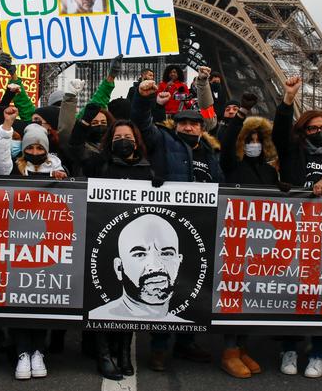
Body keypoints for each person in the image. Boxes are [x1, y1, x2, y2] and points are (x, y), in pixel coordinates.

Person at [132, 76, 219, 371]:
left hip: (202, 227)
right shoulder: (163, 139)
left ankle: (185, 342)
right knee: (166, 283)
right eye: (182, 122)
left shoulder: (210, 152)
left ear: (201, 127)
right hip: (167, 228)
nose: (188, 127)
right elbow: (142, 124)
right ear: (175, 125)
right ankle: (159, 346)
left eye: (193, 123)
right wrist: (145, 100)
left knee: (193, 286)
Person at [271, 77, 322, 378]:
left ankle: (319, 351)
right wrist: (288, 98)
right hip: (294, 232)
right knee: (293, 293)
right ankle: (290, 347)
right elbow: (279, 133)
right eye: (311, 128)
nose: (318, 132)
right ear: (302, 131)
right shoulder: (293, 152)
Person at [0, 107, 67, 380]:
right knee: (19, 300)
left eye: (39, 146)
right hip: (17, 242)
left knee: (41, 301)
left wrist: (64, 181)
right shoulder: (13, 168)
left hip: (47, 244)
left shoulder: (57, 168)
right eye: (30, 146)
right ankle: (23, 351)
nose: (35, 150)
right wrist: (6, 126)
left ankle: (38, 350)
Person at [77, 119, 152, 380]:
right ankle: (104, 354)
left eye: (128, 136)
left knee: (130, 297)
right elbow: (75, 147)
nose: (123, 140)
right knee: (102, 297)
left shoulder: (148, 169)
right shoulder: (100, 164)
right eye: (118, 136)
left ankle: (122, 352)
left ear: (136, 140)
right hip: (103, 242)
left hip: (133, 246)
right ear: (110, 140)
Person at [217, 92, 273, 378]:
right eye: (249, 141)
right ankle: (229, 349)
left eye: (258, 141)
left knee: (252, 294)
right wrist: (241, 116)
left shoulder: (269, 172)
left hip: (262, 242)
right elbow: (226, 144)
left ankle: (241, 346)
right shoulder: (232, 165)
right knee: (234, 293)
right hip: (236, 239)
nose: (254, 145)